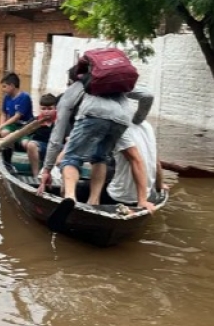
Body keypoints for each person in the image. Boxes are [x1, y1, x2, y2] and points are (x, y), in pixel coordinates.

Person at [38, 64, 154, 214]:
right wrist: (138, 119)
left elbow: (56, 137)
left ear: (74, 80)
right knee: (103, 158)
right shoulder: (115, 85)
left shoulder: (76, 88)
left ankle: (70, 197)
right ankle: (98, 201)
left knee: (70, 159)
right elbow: (148, 95)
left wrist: (47, 169)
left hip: (93, 116)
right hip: (121, 119)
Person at [100, 121, 164, 207]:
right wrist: (160, 185)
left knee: (101, 161)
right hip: (147, 193)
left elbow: (137, 161)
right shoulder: (147, 126)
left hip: (120, 197)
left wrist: (142, 200)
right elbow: (156, 161)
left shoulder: (119, 127)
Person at [20, 93, 57, 178]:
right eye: (43, 109)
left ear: (55, 109)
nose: (46, 111)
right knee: (31, 145)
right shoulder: (35, 121)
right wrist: (24, 140)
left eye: (50, 109)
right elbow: (22, 133)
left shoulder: (61, 121)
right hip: (42, 148)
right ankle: (36, 176)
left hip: (57, 149)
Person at [0, 72, 33, 138]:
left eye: (4, 87)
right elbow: (4, 114)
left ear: (12, 86)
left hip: (24, 125)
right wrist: (0, 127)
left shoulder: (24, 97)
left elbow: (16, 117)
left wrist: (2, 126)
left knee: (13, 137)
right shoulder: (6, 97)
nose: (2, 90)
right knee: (4, 133)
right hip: (13, 125)